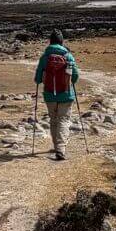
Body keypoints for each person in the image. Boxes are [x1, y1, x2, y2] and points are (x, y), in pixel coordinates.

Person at [35, 30, 80, 160]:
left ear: (50, 41)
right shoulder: (68, 56)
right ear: (62, 41)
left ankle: (57, 147)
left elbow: (38, 78)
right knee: (64, 120)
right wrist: (70, 83)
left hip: (49, 94)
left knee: (54, 120)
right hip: (66, 94)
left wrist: (40, 81)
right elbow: (75, 76)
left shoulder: (45, 57)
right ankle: (60, 149)